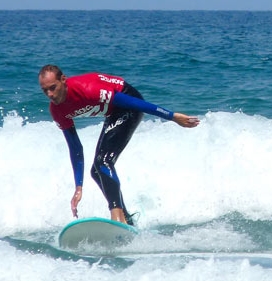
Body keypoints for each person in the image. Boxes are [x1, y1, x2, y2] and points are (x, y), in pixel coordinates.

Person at [39, 65, 200, 225]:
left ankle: (117, 216)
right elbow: (75, 148)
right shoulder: (57, 110)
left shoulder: (87, 89)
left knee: (103, 162)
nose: (50, 94)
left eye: (53, 88)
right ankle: (127, 219)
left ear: (63, 80)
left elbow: (134, 102)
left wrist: (171, 116)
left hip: (129, 104)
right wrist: (78, 187)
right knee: (96, 171)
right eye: (45, 90)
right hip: (113, 113)